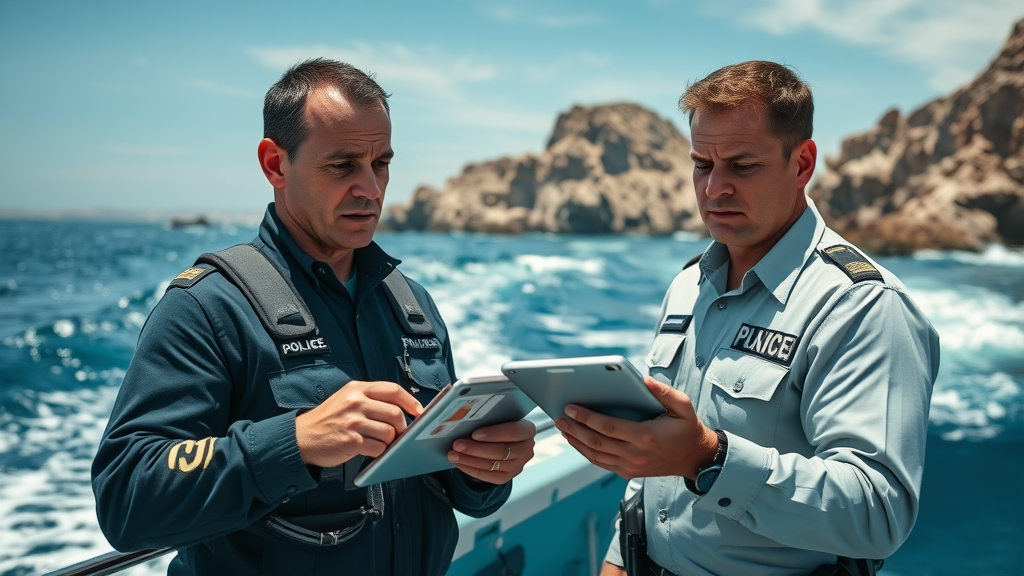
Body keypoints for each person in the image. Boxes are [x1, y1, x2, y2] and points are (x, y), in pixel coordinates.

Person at [91, 58, 536, 576]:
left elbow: (461, 496)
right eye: (343, 165)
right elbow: (126, 499)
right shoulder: (207, 309)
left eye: (382, 164)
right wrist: (294, 442)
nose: (370, 188)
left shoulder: (413, 308)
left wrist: (486, 471)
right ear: (275, 164)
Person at [556, 61, 940, 576]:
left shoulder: (861, 307)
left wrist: (707, 460)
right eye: (701, 164)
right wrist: (617, 560)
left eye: (742, 165)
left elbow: (876, 513)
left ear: (802, 163)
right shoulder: (688, 284)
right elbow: (657, 454)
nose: (715, 188)